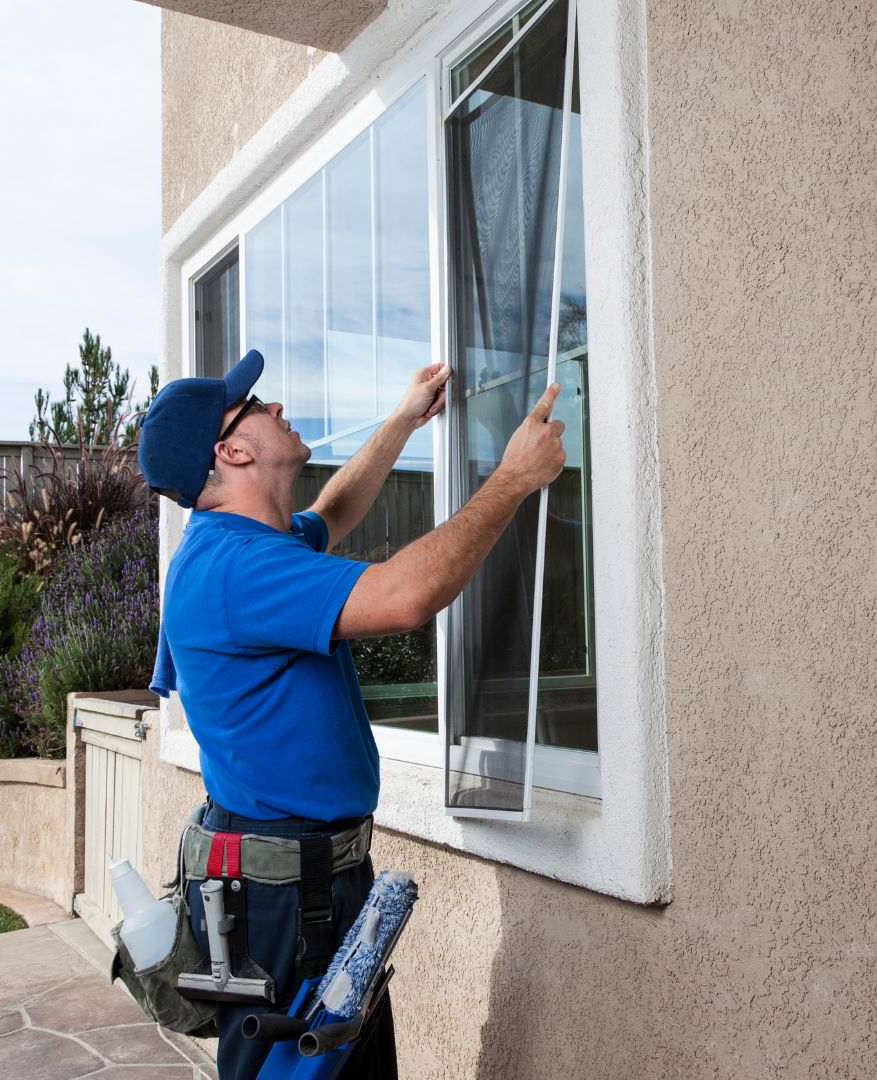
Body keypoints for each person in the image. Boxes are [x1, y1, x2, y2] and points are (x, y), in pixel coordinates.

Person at [137, 349, 565, 1079]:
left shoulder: (254, 544)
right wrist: (513, 479)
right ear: (233, 449)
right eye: (257, 406)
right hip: (280, 903)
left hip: (311, 885)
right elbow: (405, 598)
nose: (276, 407)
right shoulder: (236, 571)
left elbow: (334, 510)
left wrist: (401, 422)